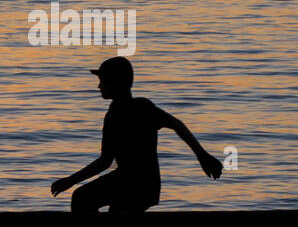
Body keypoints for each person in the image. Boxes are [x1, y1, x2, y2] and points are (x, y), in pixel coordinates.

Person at [51, 56, 223, 212]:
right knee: (97, 202)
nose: (99, 86)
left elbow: (105, 162)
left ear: (115, 83)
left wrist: (70, 181)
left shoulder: (128, 111)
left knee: (81, 198)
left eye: (103, 81)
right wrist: (202, 155)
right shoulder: (139, 107)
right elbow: (177, 125)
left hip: (135, 185)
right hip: (143, 185)